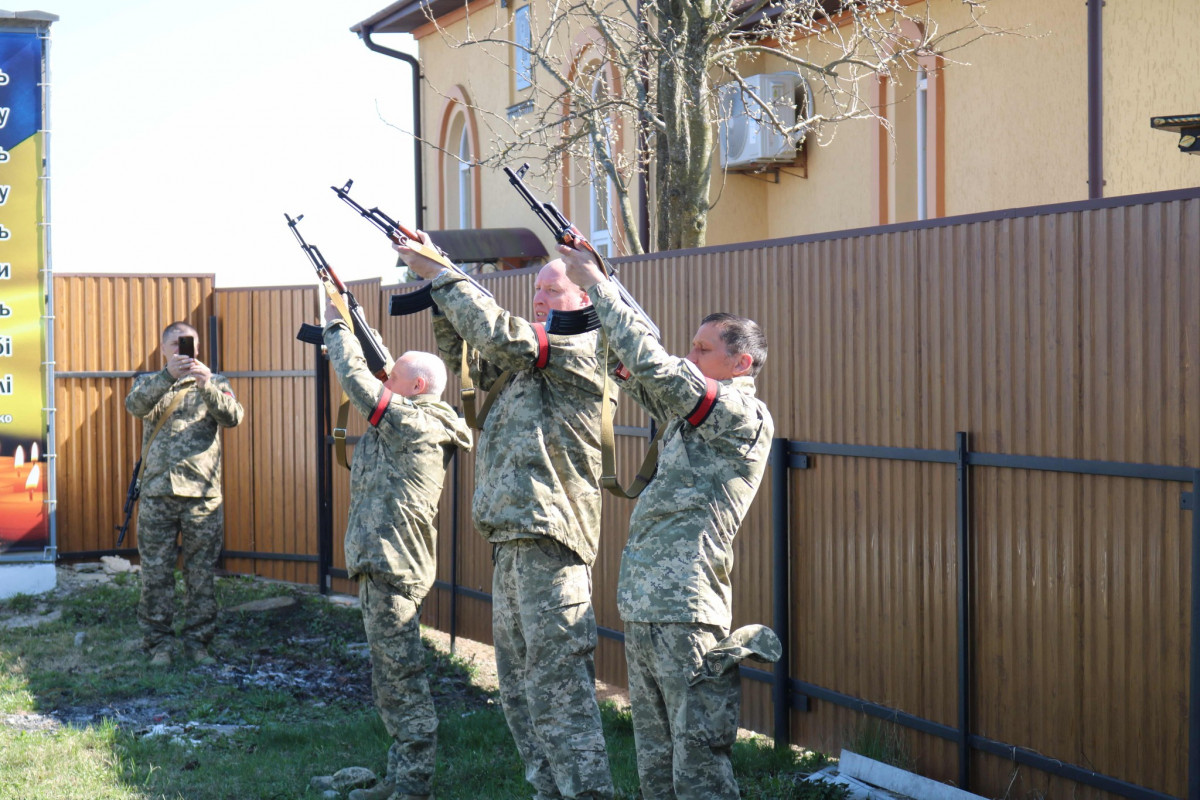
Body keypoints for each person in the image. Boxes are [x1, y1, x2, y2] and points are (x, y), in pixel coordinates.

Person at [396, 234, 615, 800]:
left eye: (553, 290)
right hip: (512, 543)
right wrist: (436, 292)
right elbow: (467, 357)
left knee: (559, 690)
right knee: (518, 691)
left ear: (586, 296)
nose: (540, 299)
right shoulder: (527, 359)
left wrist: (442, 271)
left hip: (551, 541)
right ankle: (548, 791)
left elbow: (498, 332)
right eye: (536, 289)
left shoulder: (584, 347)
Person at [559, 245, 778, 800]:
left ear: (741, 362)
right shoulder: (689, 417)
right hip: (649, 604)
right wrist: (595, 299)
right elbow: (630, 368)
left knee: (698, 762)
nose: (692, 354)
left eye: (704, 349)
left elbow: (658, 368)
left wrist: (604, 288)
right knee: (656, 761)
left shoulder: (739, 414)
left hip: (687, 607)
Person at [323, 298, 473, 800]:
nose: (383, 383)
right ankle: (398, 777)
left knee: (402, 680)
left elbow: (357, 379)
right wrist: (360, 323)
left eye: (393, 380)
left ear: (417, 388)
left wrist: (336, 324)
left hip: (394, 567)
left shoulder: (418, 426)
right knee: (388, 677)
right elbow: (377, 373)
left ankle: (413, 785)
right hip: (379, 564)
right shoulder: (405, 418)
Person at [125, 321, 244, 667]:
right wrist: (166, 376)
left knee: (201, 574)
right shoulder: (148, 382)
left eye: (187, 345)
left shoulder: (216, 383)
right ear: (164, 349)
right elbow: (135, 406)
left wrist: (207, 386)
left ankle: (198, 642)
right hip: (158, 494)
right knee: (156, 574)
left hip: (202, 496)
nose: (182, 352)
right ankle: (158, 645)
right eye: (176, 345)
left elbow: (233, 417)